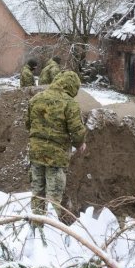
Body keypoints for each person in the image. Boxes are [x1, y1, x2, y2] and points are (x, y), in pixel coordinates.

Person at [26, 70, 87, 216]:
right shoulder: (69, 103)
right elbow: (76, 130)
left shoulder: (36, 99)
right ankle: (52, 231)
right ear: (72, 86)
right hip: (56, 157)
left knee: (37, 192)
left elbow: (28, 124)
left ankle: (37, 225)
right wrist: (80, 144)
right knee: (54, 197)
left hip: (36, 153)